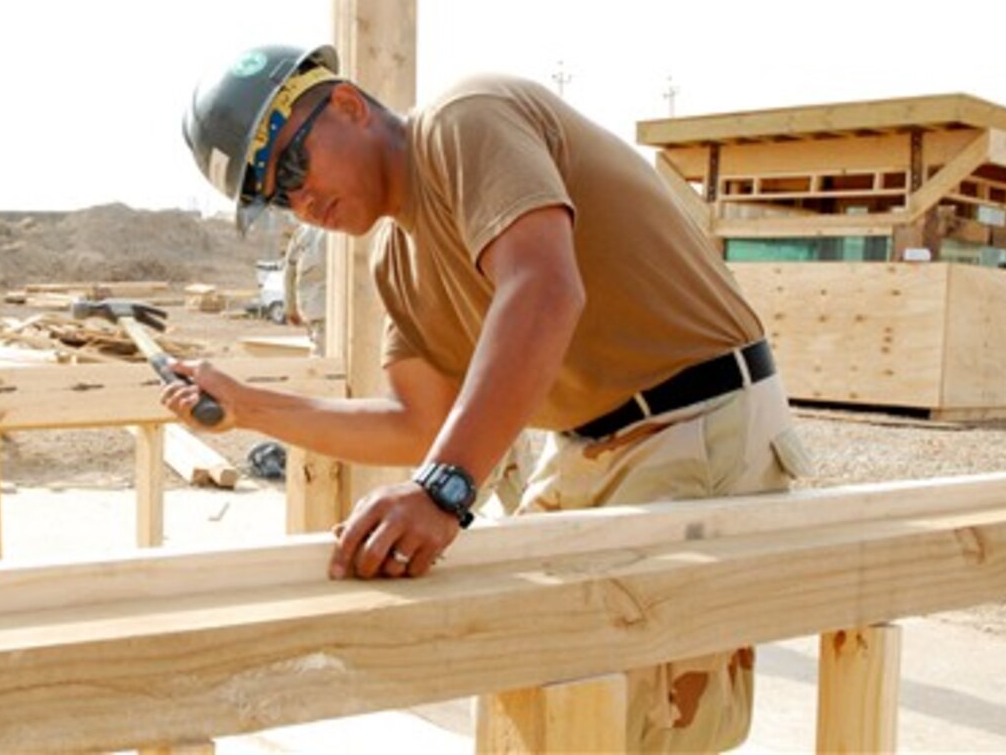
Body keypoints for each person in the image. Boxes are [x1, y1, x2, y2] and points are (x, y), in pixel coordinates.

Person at [176, 42, 813, 752]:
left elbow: (544, 287)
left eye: (291, 167)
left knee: (629, 723)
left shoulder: (463, 120)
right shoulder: (398, 258)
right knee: (527, 698)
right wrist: (247, 406)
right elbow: (417, 424)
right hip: (589, 447)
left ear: (349, 105)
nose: (299, 201)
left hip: (697, 419)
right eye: (272, 196)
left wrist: (444, 491)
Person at [282, 218, 328, 355]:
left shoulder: (303, 232)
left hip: (317, 309)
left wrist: (290, 308)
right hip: (325, 309)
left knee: (322, 361)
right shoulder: (347, 226)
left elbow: (289, 272)